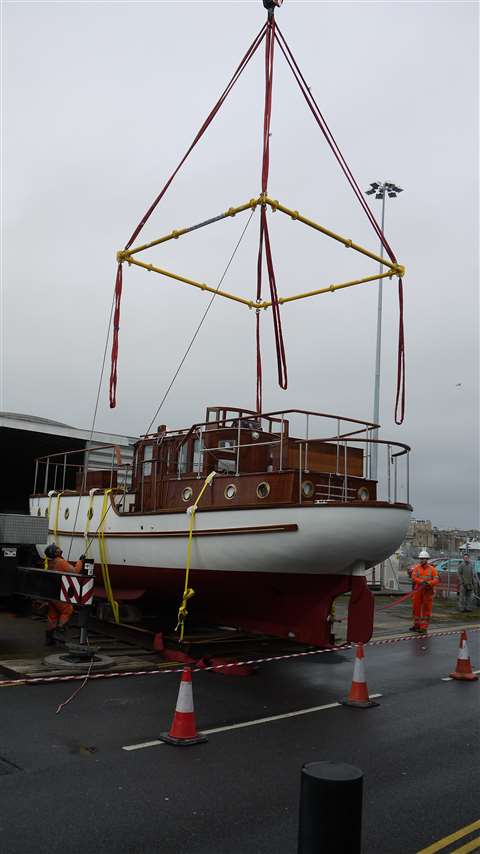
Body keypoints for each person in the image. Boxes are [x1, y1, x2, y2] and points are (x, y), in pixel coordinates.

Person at [44, 543, 84, 645]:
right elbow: (74, 572)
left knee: (53, 615)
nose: (59, 549)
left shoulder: (50, 563)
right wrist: (80, 562)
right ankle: (60, 632)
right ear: (55, 552)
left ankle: (49, 638)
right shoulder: (60, 562)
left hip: (50, 593)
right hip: (58, 593)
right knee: (67, 610)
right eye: (57, 548)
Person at [409, 549, 439, 634]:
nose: (421, 560)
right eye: (421, 559)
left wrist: (429, 583)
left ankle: (423, 627)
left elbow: (436, 580)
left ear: (427, 559)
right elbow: (413, 577)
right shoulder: (416, 568)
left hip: (427, 591)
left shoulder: (432, 569)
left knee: (426, 609)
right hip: (418, 590)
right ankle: (416, 625)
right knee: (416, 608)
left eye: (423, 558)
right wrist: (421, 581)